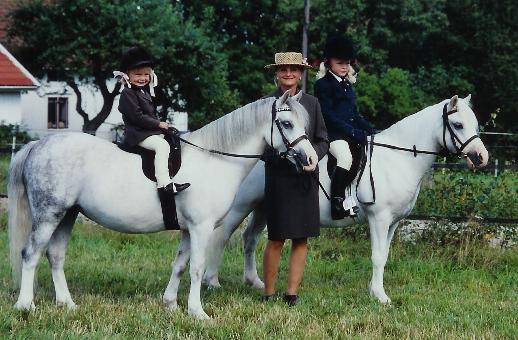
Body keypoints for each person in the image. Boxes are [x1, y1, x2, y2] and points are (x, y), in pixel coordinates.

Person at [262, 52, 329, 305]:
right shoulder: (266, 104)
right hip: (279, 178)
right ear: (276, 74)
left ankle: (291, 293)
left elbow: (323, 139)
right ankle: (268, 293)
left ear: (301, 73)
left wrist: (314, 158)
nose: (288, 73)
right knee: (276, 237)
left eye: (293, 69)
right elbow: (260, 145)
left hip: (306, 180)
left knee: (301, 237)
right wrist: (280, 157)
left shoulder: (312, 103)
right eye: (283, 69)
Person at [314, 36, 376, 220]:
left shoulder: (348, 85)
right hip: (332, 135)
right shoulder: (323, 85)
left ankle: (353, 199)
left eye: (347, 63)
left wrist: (371, 130)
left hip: (349, 134)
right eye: (339, 62)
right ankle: (337, 203)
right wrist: (352, 131)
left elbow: (355, 115)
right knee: (345, 157)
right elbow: (328, 115)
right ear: (329, 62)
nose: (344, 67)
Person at [114, 46, 189, 194]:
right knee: (162, 146)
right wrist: (158, 124)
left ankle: (173, 172)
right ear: (127, 75)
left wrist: (163, 127)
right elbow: (138, 117)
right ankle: (164, 184)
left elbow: (150, 114)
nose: (142, 78)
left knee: (171, 139)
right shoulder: (127, 93)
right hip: (137, 134)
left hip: (148, 132)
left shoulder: (143, 92)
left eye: (146, 74)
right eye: (137, 74)